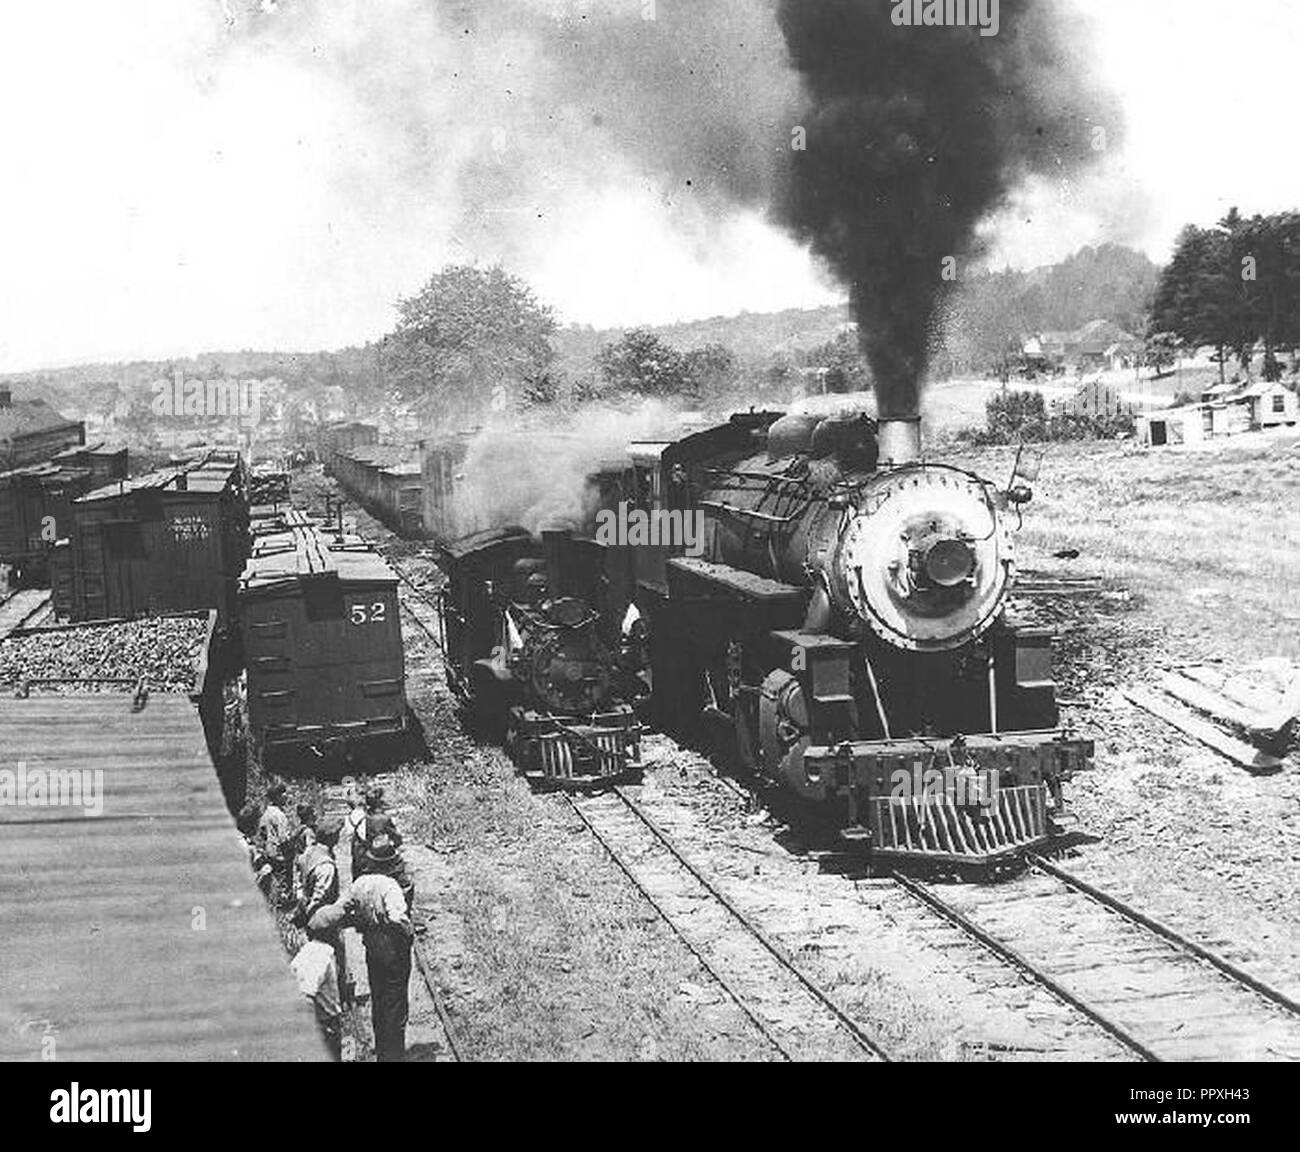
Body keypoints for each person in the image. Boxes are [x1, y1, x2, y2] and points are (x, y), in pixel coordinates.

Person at [310, 861, 414, 1063]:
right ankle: (393, 1056)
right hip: (393, 949)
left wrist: (358, 921)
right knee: (395, 1005)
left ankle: (382, 1052)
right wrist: (406, 935)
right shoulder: (390, 886)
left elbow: (340, 909)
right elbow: (398, 919)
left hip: (372, 947)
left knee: (379, 999)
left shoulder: (359, 884)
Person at [290, 934, 342, 1060]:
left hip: (333, 1022)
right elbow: (306, 995)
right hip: (326, 1024)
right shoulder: (320, 954)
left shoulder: (309, 951)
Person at [257, 782, 293, 907]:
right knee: (283, 882)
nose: (286, 796)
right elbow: (284, 838)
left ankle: (273, 902)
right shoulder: (279, 815)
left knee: (274, 880)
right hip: (280, 854)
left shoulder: (266, 813)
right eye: (283, 793)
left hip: (269, 852)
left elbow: (262, 834)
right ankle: (282, 906)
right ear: (277, 796)